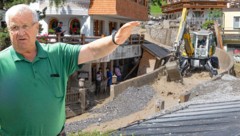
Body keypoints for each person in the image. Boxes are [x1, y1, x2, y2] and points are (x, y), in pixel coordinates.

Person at [0, 4, 140, 135]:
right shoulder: (2, 63)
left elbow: (92, 51)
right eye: (14, 27)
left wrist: (115, 39)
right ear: (8, 30)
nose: (20, 32)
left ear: (36, 27)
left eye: (25, 26)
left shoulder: (58, 54)